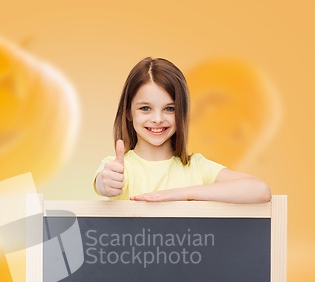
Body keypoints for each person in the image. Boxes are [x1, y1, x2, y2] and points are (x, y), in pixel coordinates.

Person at [94, 57, 271, 203]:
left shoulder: (197, 168)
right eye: (145, 108)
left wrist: (180, 194)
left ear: (182, 113)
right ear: (128, 113)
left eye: (169, 109)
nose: (157, 119)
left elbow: (260, 190)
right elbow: (105, 183)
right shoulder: (119, 168)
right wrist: (107, 184)